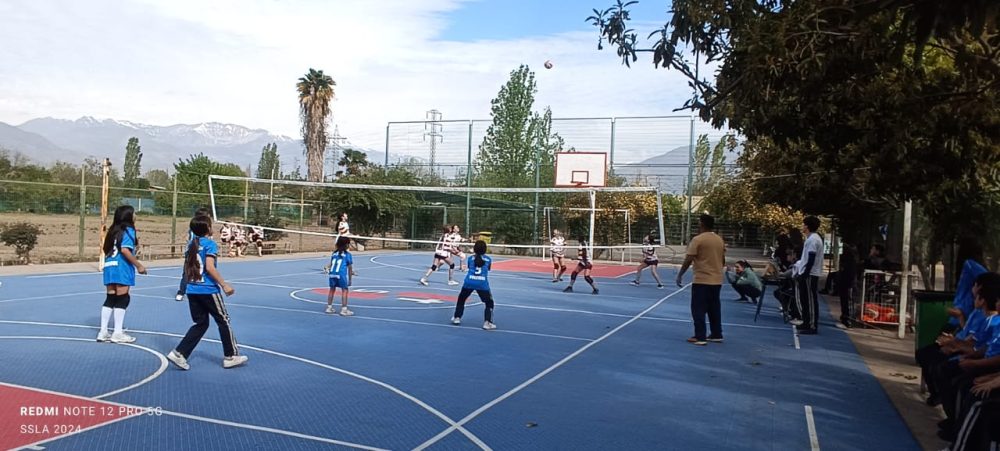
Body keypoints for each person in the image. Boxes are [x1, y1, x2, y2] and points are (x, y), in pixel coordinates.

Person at [166, 215, 246, 371]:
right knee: (223, 320)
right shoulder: (210, 244)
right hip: (208, 289)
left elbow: (189, 268)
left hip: (192, 289)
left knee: (201, 323)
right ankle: (231, 356)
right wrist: (224, 285)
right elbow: (209, 267)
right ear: (208, 228)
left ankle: (179, 353)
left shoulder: (191, 244)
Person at [97, 205, 147, 344]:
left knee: (111, 298)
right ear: (128, 216)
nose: (135, 215)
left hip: (109, 266)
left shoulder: (113, 231)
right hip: (122, 268)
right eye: (134, 213)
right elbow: (125, 250)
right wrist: (139, 265)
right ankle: (117, 332)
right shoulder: (129, 230)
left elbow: (108, 249)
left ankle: (103, 331)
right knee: (123, 298)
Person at [676, 214, 726, 346]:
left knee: (698, 308)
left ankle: (700, 336)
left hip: (702, 279)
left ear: (702, 224)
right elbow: (722, 259)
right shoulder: (719, 240)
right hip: (717, 280)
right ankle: (717, 334)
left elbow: (689, 258)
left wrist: (680, 273)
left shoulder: (698, 239)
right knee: (714, 308)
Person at [451, 240, 497, 330]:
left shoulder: (470, 259)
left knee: (462, 299)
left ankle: (457, 317)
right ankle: (487, 322)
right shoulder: (488, 259)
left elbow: (470, 267)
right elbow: (488, 269)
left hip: (469, 281)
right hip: (482, 284)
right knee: (489, 302)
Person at [792, 216, 824, 334]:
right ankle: (806, 321)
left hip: (810, 273)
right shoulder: (810, 238)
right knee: (805, 298)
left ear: (808, 226)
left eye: (804, 224)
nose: (803, 226)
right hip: (807, 272)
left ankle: (812, 325)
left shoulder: (813, 240)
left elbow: (811, 258)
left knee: (810, 299)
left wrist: (805, 273)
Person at [176, 207, 212, 301]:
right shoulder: (195, 229)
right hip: (193, 252)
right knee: (187, 273)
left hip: (202, 251)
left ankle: (201, 290)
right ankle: (181, 291)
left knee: (204, 271)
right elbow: (192, 240)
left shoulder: (207, 230)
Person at [325, 236, 354, 316]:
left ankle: (329, 307)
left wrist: (327, 268)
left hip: (332, 274)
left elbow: (331, 264)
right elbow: (350, 268)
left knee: (332, 290)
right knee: (345, 290)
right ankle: (344, 309)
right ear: (346, 245)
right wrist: (350, 279)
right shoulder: (347, 255)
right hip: (340, 274)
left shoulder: (334, 254)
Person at [834, 244, 859, 329]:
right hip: (847, 281)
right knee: (846, 300)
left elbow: (844, 270)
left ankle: (846, 319)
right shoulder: (851, 259)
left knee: (846, 301)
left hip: (846, 282)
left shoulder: (848, 260)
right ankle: (845, 318)